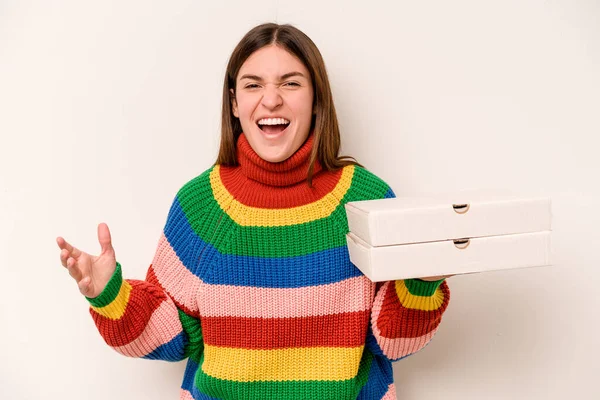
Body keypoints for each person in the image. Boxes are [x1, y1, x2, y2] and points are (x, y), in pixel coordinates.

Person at [56, 22, 451, 400]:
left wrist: (422, 281)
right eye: (253, 84)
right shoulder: (202, 206)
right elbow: (172, 336)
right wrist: (110, 295)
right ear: (234, 103)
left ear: (316, 100)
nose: (271, 98)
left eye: (291, 83)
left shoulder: (368, 201)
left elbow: (392, 343)